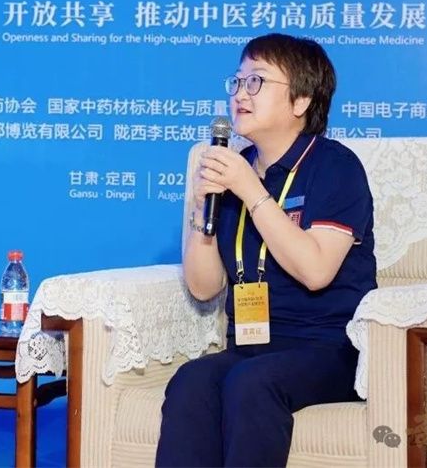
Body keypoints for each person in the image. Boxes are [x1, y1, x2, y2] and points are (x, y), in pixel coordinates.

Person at [155, 33, 377, 467]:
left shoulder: (335, 166)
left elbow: (316, 270)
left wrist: (252, 191)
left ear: (301, 101)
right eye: (237, 82)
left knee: (253, 382)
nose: (241, 94)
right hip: (251, 345)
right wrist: (202, 208)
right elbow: (204, 287)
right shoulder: (234, 169)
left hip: (328, 347)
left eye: (257, 81)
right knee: (192, 380)